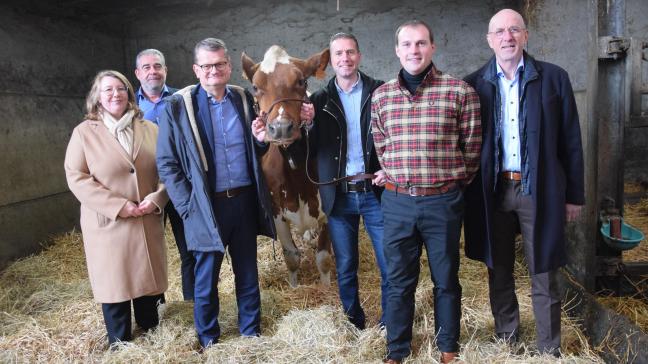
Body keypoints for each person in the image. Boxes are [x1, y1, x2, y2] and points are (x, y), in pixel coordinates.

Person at [463, 9, 584, 357]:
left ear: (526, 36)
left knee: (544, 268)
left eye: (514, 30)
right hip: (494, 190)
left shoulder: (554, 78)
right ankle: (507, 338)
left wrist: (574, 195)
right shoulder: (473, 84)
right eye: (499, 31)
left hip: (539, 189)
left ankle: (548, 347)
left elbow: (571, 141)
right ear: (489, 40)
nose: (507, 37)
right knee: (498, 266)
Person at [371, 20, 482, 364]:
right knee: (398, 281)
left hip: (442, 202)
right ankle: (397, 350)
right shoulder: (382, 96)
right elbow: (382, 146)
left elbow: (472, 149)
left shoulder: (460, 92)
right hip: (398, 202)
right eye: (407, 44)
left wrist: (446, 185)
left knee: (446, 279)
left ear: (433, 47)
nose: (414, 51)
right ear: (397, 50)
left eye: (420, 43)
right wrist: (399, 179)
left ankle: (448, 347)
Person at [155, 38, 275, 348]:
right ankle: (209, 338)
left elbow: (256, 149)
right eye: (207, 65)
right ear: (196, 69)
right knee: (205, 277)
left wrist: (262, 140)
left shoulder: (243, 99)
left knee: (247, 273)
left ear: (229, 66)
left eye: (220, 64)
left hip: (244, 201)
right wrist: (187, 206)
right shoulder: (178, 107)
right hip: (206, 207)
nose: (214, 70)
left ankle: (251, 332)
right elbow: (167, 164)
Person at [64, 70, 168, 346]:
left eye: (120, 89)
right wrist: (120, 206)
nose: (115, 94)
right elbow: (76, 177)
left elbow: (167, 171)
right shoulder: (84, 133)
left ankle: (153, 333)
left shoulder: (150, 129)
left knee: (147, 282)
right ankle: (120, 343)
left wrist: (157, 199)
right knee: (116, 284)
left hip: (146, 217)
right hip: (109, 224)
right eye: (108, 90)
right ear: (97, 97)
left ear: (130, 95)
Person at [307, 32, 387, 330]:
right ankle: (354, 323)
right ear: (331, 60)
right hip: (339, 196)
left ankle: (389, 321)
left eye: (350, 52)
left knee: (388, 264)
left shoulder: (380, 91)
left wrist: (388, 168)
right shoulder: (318, 101)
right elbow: (311, 150)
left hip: (376, 193)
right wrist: (309, 123)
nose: (345, 58)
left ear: (359, 56)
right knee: (346, 265)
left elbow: (395, 137)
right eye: (338, 54)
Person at [134, 49, 195, 301]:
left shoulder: (183, 100)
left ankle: (192, 302)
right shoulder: (129, 108)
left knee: (189, 248)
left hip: (180, 185)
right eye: (146, 67)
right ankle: (156, 304)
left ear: (165, 71)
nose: (152, 71)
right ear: (137, 74)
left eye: (157, 66)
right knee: (149, 249)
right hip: (148, 188)